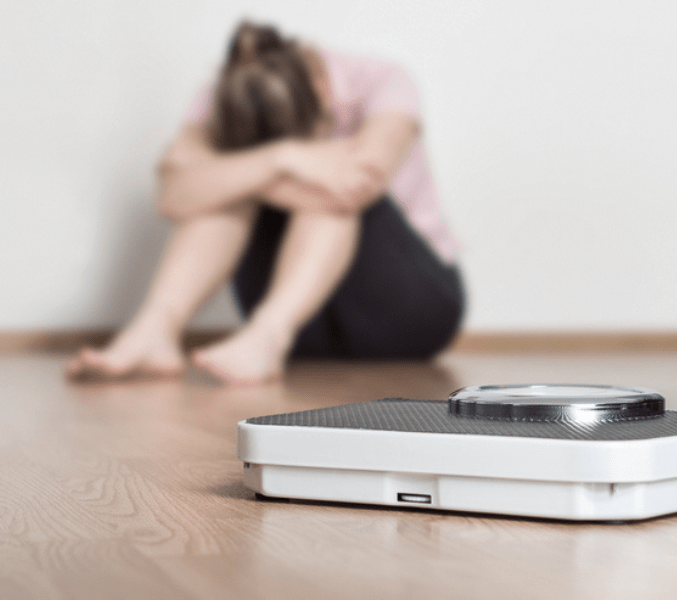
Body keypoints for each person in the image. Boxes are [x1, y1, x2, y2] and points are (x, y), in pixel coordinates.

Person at [66, 21, 464, 384]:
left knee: (321, 194)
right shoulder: (224, 95)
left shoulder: (382, 80)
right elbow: (172, 197)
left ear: (322, 90)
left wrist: (240, 172)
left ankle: (267, 335)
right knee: (221, 192)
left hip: (409, 311)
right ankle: (156, 330)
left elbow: (355, 184)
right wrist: (284, 159)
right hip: (307, 332)